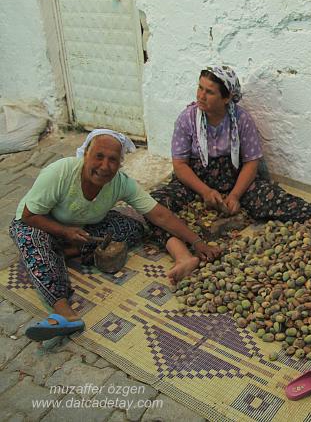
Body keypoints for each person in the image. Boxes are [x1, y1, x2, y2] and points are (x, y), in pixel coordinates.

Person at [8, 130, 220, 341]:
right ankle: (64, 312)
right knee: (32, 240)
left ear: (120, 164)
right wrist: (65, 231)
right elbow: (29, 216)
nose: (104, 166)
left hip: (80, 229)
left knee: (132, 227)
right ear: (85, 154)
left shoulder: (120, 182)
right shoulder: (61, 172)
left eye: (113, 160)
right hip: (39, 224)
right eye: (98, 156)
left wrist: (197, 242)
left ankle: (62, 253)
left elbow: (159, 215)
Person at [148, 66, 311, 282]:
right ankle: (183, 256)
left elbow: (251, 162)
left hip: (234, 179)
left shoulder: (241, 119)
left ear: (227, 97)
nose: (201, 95)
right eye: (200, 88)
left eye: (209, 92)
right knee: (153, 206)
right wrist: (205, 191)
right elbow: (180, 165)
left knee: (270, 195)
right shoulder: (187, 119)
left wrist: (236, 195)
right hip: (195, 182)